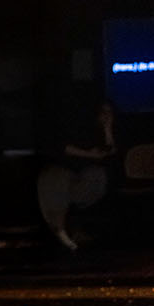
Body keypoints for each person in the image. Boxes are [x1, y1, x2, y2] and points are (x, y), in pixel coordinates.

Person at [36, 100, 116, 251]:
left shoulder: (102, 130)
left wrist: (108, 128)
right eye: (104, 112)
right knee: (58, 186)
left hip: (88, 176)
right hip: (64, 169)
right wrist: (89, 155)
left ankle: (74, 232)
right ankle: (61, 233)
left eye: (109, 112)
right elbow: (63, 148)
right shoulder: (77, 127)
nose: (106, 115)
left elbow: (109, 151)